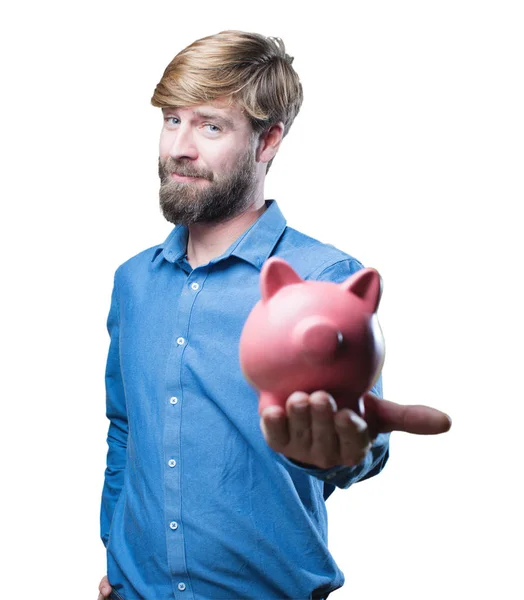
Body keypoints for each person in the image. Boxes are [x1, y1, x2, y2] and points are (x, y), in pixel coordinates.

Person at [98, 30, 451, 600]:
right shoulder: (133, 282)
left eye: (210, 125)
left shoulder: (327, 281)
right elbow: (124, 430)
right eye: (171, 119)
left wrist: (347, 451)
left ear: (268, 141)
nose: (179, 147)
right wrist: (114, 560)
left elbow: (353, 438)